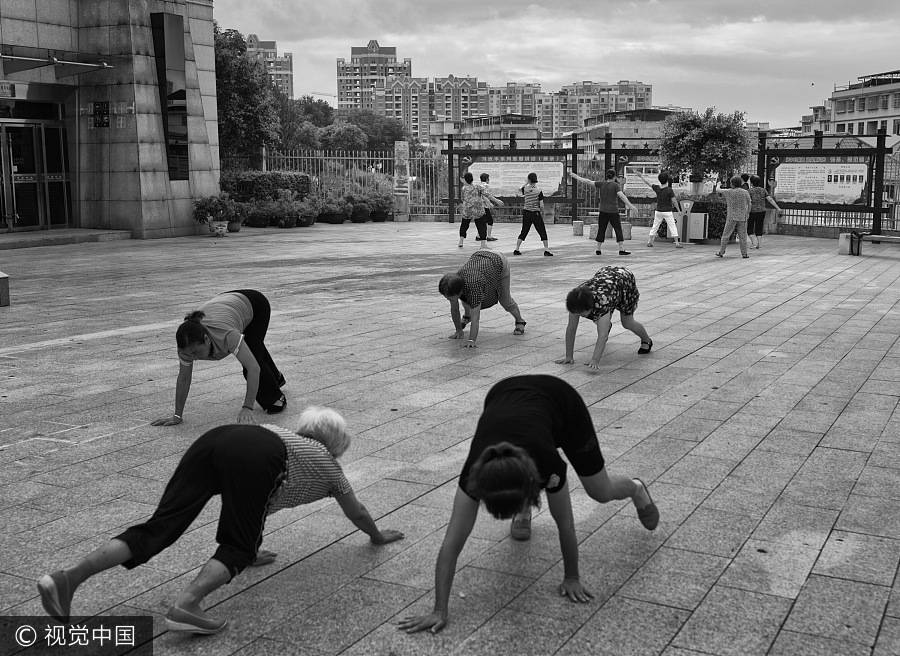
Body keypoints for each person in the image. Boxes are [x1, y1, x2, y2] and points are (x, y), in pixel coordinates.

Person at [37, 407, 404, 634]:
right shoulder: (328, 466)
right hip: (256, 455)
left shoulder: (288, 439)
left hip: (218, 438)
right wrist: (375, 536)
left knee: (159, 528)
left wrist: (252, 539)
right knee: (237, 549)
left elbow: (259, 503)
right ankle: (187, 605)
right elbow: (355, 510)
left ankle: (67, 579)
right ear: (336, 442)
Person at [397, 375, 659, 634]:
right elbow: (450, 546)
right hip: (504, 394)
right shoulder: (473, 476)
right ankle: (521, 508)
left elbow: (565, 525)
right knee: (513, 481)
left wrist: (572, 577)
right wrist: (439, 609)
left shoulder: (548, 466)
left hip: (563, 404)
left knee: (600, 491)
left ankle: (636, 489)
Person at [151, 290, 286, 426]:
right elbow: (184, 378)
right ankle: (276, 377)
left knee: (252, 355)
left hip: (255, 304)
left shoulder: (227, 336)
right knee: (252, 349)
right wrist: (177, 415)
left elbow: (253, 369)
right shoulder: (186, 348)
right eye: (188, 354)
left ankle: (276, 398)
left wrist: (247, 407)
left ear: (206, 339)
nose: (193, 358)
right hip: (226, 303)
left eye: (196, 352)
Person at [555, 266, 653, 369]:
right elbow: (571, 328)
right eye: (577, 313)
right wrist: (569, 356)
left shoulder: (602, 302)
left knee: (627, 322)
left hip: (624, 282)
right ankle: (605, 324)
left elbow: (603, 336)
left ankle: (647, 340)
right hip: (606, 278)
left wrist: (595, 360)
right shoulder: (575, 301)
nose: (580, 315)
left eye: (582, 313)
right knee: (601, 321)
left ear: (591, 306)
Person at [439, 250, 527, 347]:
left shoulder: (473, 286)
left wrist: (472, 340)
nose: (448, 299)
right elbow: (454, 309)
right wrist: (458, 330)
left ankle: (520, 321)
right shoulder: (454, 283)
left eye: (450, 298)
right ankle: (467, 317)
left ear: (459, 291)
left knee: (505, 300)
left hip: (499, 262)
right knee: (466, 299)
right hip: (480, 255)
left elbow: (476, 318)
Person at [569, 169, 637, 256]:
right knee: (618, 229)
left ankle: (598, 249)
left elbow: (588, 181)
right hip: (613, 211)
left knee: (601, 229)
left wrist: (576, 176)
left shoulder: (601, 184)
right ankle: (621, 249)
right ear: (614, 176)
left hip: (603, 211)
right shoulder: (615, 185)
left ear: (607, 176)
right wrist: (631, 206)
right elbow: (622, 196)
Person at [458, 157, 502, 249]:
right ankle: (483, 244)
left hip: (467, 209)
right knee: (481, 226)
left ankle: (461, 241)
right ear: (472, 179)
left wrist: (467, 203)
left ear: (466, 180)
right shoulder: (477, 187)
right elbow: (487, 195)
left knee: (464, 225)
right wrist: (496, 200)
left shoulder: (464, 189)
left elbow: (462, 198)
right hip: (478, 209)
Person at [637, 171, 682, 248]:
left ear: (659, 180)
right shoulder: (669, 190)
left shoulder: (657, 188)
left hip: (658, 211)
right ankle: (677, 243)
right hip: (667, 211)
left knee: (655, 226)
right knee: (672, 226)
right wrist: (678, 210)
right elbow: (674, 201)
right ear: (667, 180)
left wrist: (641, 176)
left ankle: (650, 241)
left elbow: (648, 183)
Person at [514, 172, 553, 256]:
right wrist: (541, 212)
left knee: (524, 231)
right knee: (542, 231)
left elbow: (518, 191)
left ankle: (516, 249)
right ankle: (546, 250)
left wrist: (526, 183)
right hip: (536, 213)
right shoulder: (539, 191)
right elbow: (542, 205)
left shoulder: (526, 189)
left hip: (526, 213)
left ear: (529, 179)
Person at [716, 175, 752, 258]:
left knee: (726, 234)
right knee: (742, 236)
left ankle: (721, 252)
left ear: (732, 183)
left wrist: (718, 184)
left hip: (731, 216)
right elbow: (749, 203)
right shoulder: (745, 192)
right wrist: (748, 213)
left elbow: (718, 190)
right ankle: (744, 254)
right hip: (743, 217)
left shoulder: (729, 191)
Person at [747, 174, 781, 248]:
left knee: (749, 228)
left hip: (752, 211)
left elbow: (748, 202)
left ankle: (754, 243)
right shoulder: (763, 190)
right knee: (759, 227)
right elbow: (770, 199)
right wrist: (777, 208)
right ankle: (760, 244)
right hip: (762, 211)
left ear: (751, 183)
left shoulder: (749, 191)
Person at [478, 172, 499, 241]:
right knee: (490, 221)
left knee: (482, 221)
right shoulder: (486, 186)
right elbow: (485, 195)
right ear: (487, 179)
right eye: (488, 179)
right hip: (485, 206)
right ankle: (489, 236)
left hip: (479, 206)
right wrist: (489, 203)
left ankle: (478, 236)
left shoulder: (479, 185)